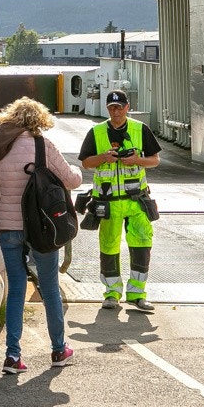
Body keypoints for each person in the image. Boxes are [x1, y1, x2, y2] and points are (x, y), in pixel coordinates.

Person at [0, 97, 80, 375]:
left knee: (16, 290)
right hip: (42, 230)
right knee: (49, 288)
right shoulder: (43, 145)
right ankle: (58, 350)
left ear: (9, 118)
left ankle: (12, 356)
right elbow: (71, 180)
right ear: (39, 120)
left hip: (9, 230)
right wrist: (77, 171)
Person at [79, 89, 162, 313]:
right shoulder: (96, 132)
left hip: (136, 201)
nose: (115, 111)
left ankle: (137, 294)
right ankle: (112, 293)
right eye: (112, 108)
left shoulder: (140, 129)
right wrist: (103, 158)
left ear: (127, 107)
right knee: (108, 246)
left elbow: (155, 160)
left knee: (142, 244)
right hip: (109, 202)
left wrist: (137, 160)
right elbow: (86, 163)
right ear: (107, 109)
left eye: (119, 107)